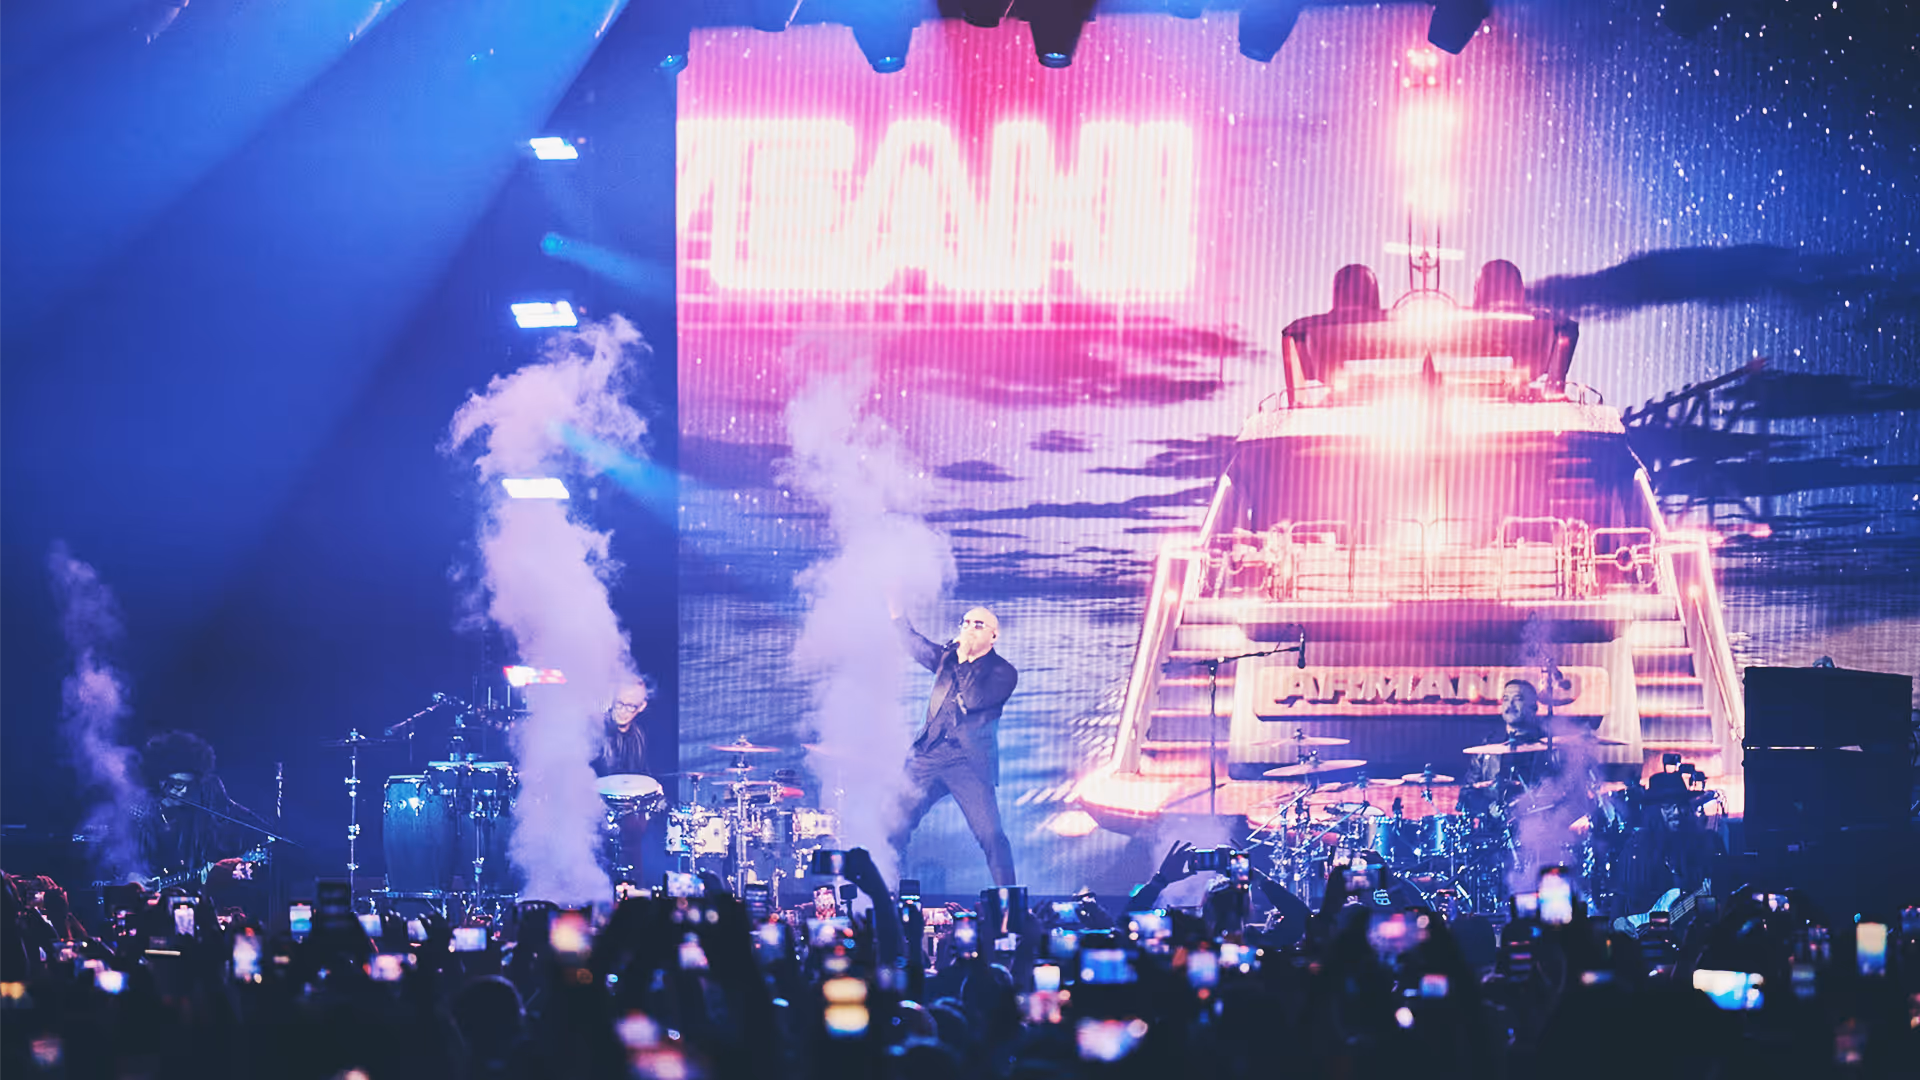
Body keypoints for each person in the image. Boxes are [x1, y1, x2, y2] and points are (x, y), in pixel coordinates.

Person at [886, 604, 1019, 887]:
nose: (968, 628)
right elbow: (915, 645)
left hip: (968, 763)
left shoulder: (1003, 672)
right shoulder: (948, 658)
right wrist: (898, 614)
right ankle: (890, 892)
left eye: (977, 624)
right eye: (965, 622)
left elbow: (973, 701)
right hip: (928, 756)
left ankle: (1010, 904)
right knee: (894, 826)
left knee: (992, 836)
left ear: (994, 636)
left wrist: (963, 659)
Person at [126, 730, 270, 898]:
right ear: (162, 783)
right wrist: (131, 876)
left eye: (191, 784)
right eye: (179, 784)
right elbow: (120, 861)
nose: (186, 791)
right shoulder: (143, 816)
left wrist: (221, 871)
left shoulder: (202, 816)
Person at [590, 676, 655, 778]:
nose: (623, 711)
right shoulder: (597, 729)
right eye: (619, 704)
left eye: (631, 706)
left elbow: (642, 774)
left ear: (642, 706)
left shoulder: (639, 734)